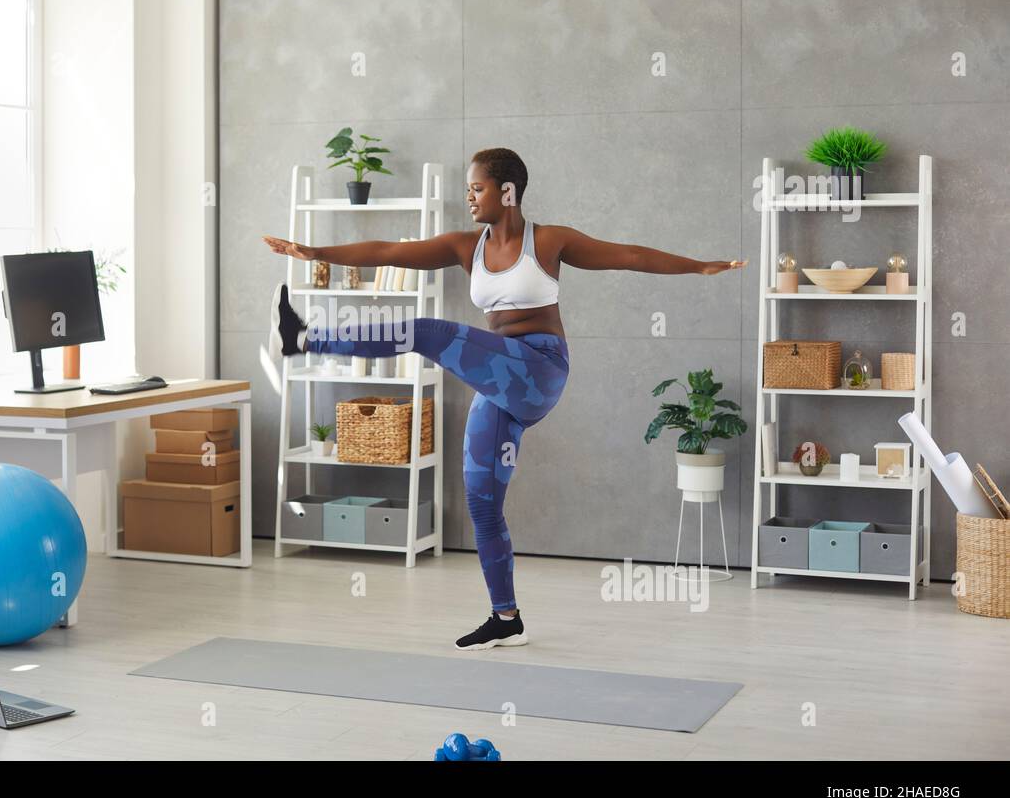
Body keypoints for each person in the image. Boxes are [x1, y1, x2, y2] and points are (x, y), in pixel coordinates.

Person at [264, 147, 746, 650]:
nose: (469, 197)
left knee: (429, 331)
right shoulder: (465, 246)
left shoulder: (550, 241)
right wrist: (318, 254)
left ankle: (303, 339)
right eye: (468, 189)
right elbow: (390, 253)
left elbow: (628, 256)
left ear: (507, 192)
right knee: (483, 502)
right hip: (501, 381)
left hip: (539, 369)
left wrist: (699, 267)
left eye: (477, 188)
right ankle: (506, 616)